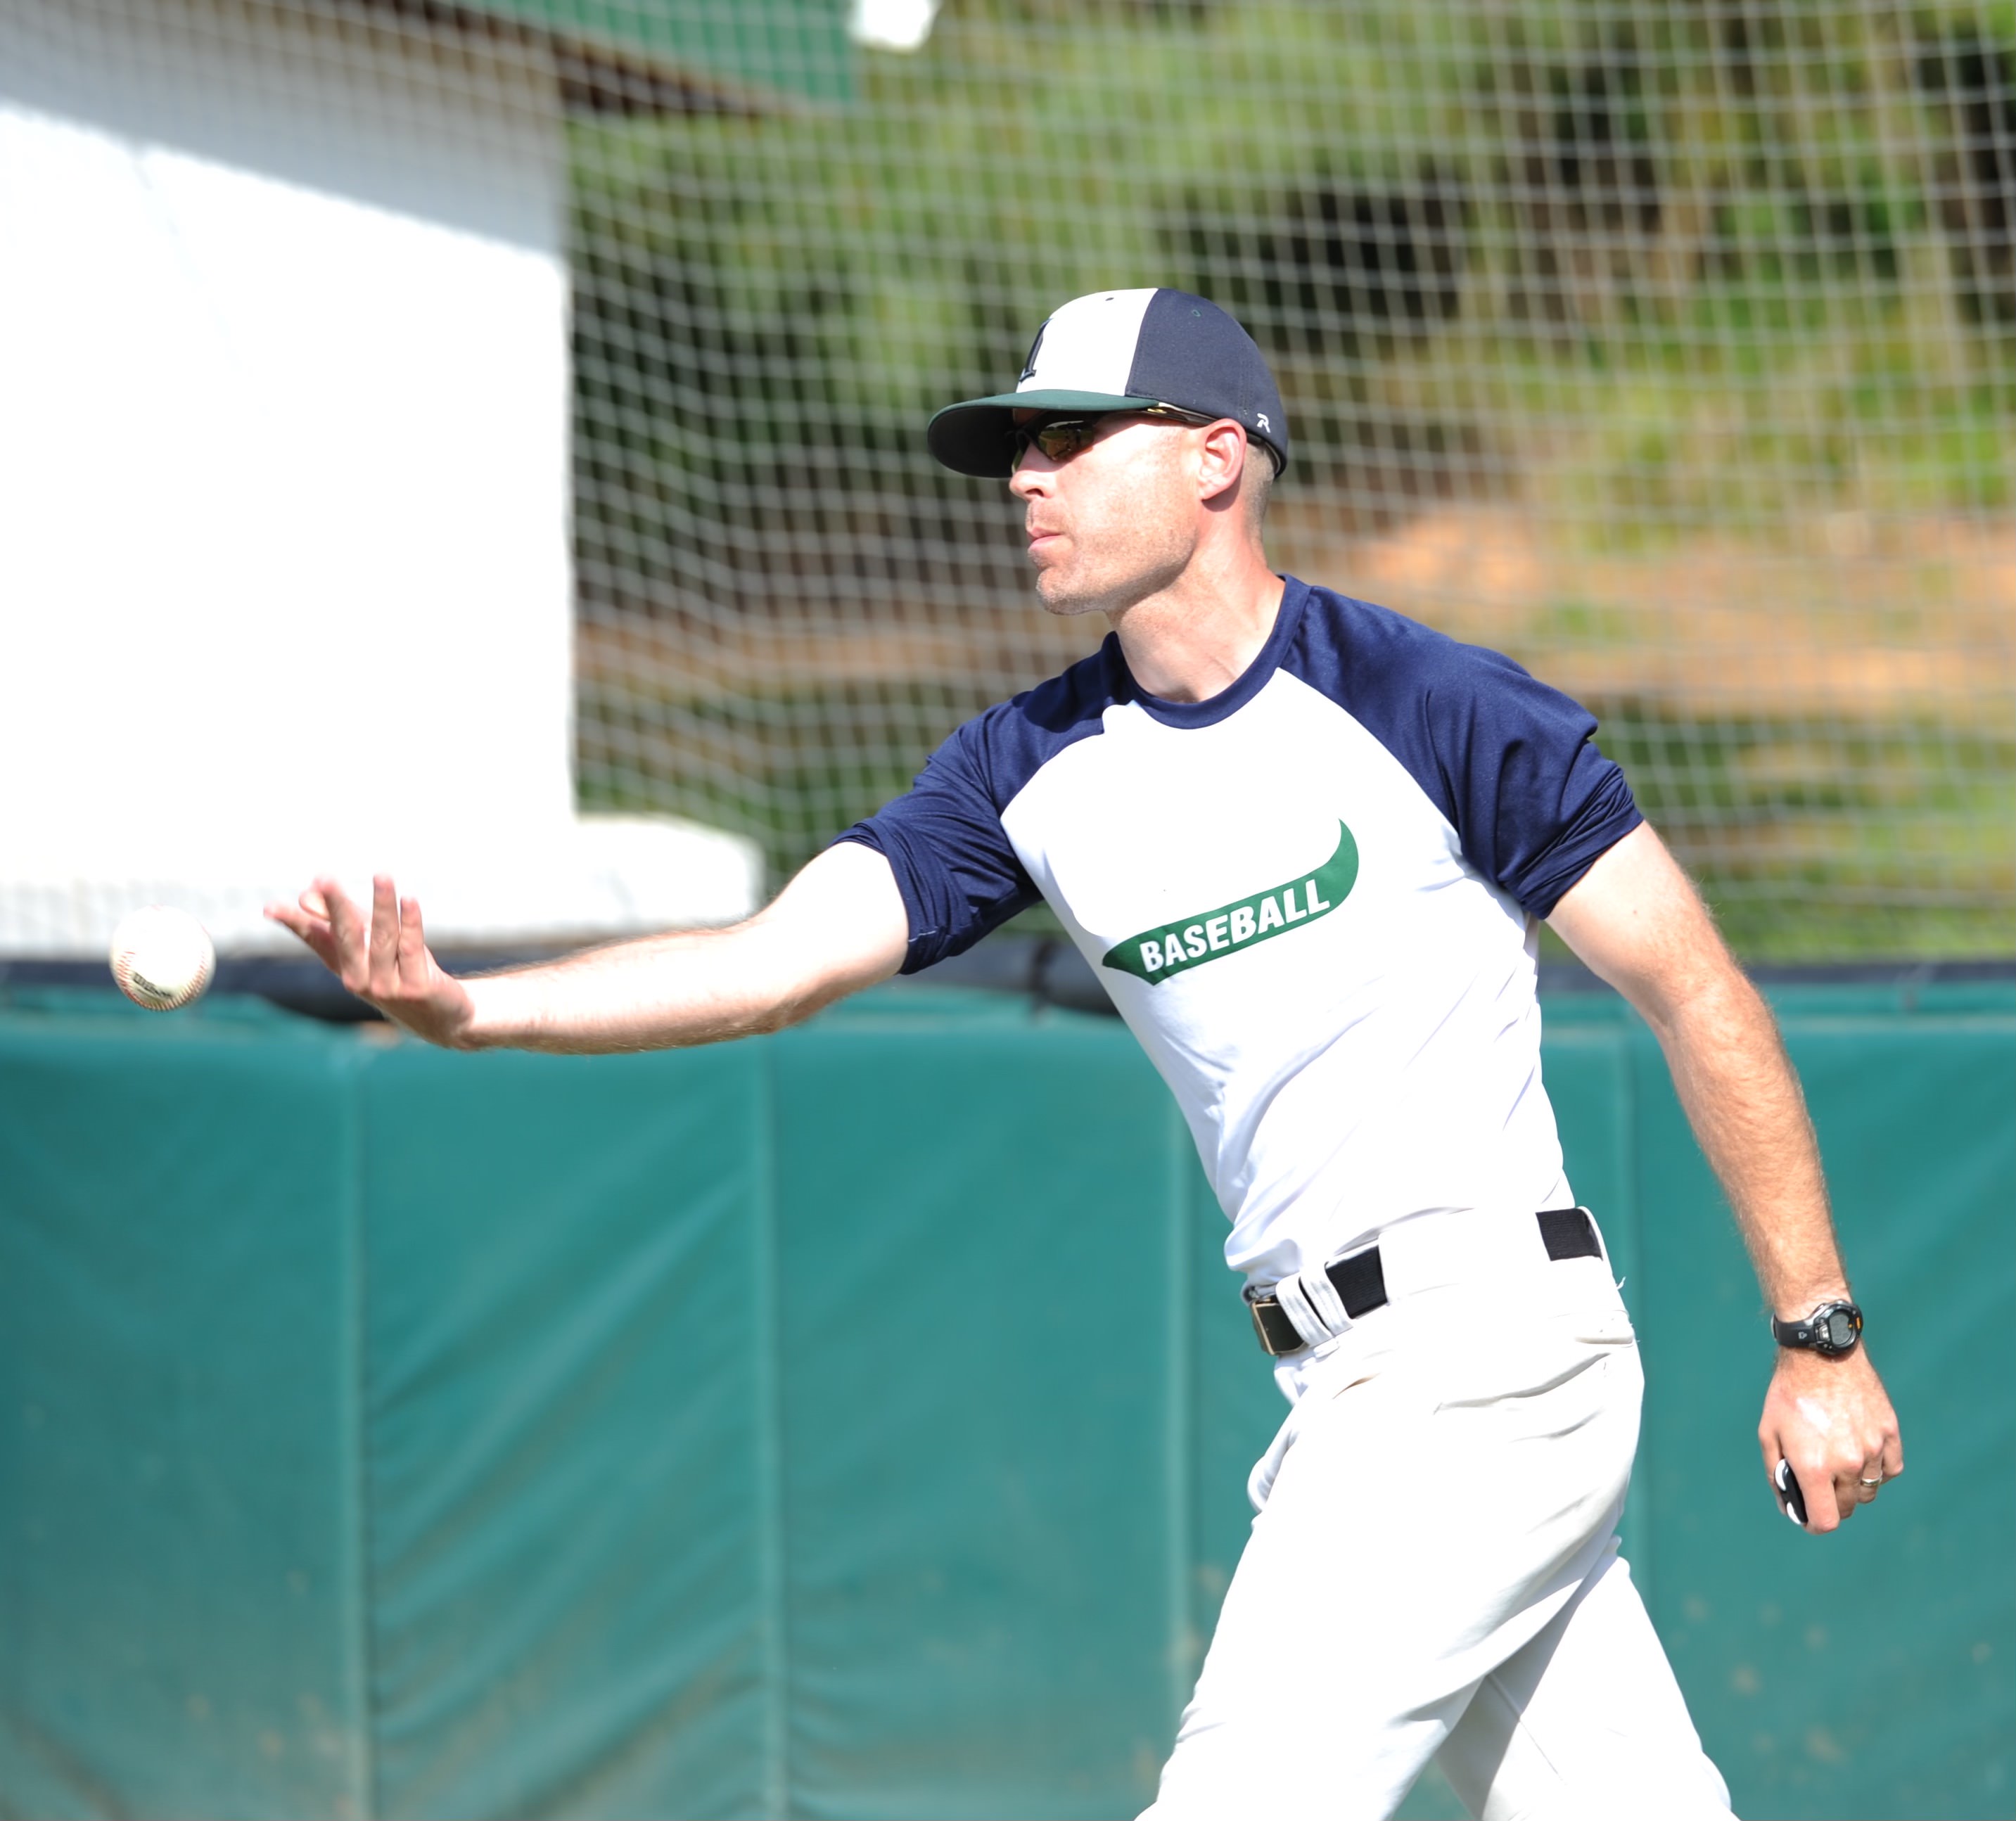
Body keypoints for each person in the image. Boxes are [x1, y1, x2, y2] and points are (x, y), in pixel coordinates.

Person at [269, 288, 1903, 1820]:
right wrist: (473, 1007)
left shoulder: (1430, 705)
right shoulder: (1026, 767)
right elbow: (771, 963)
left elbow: (1699, 994)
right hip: (1344, 1376)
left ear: (1215, 459)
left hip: (1482, 1350)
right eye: (1016, 451)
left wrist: (1814, 1330)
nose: (1025, 480)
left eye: (1069, 438)